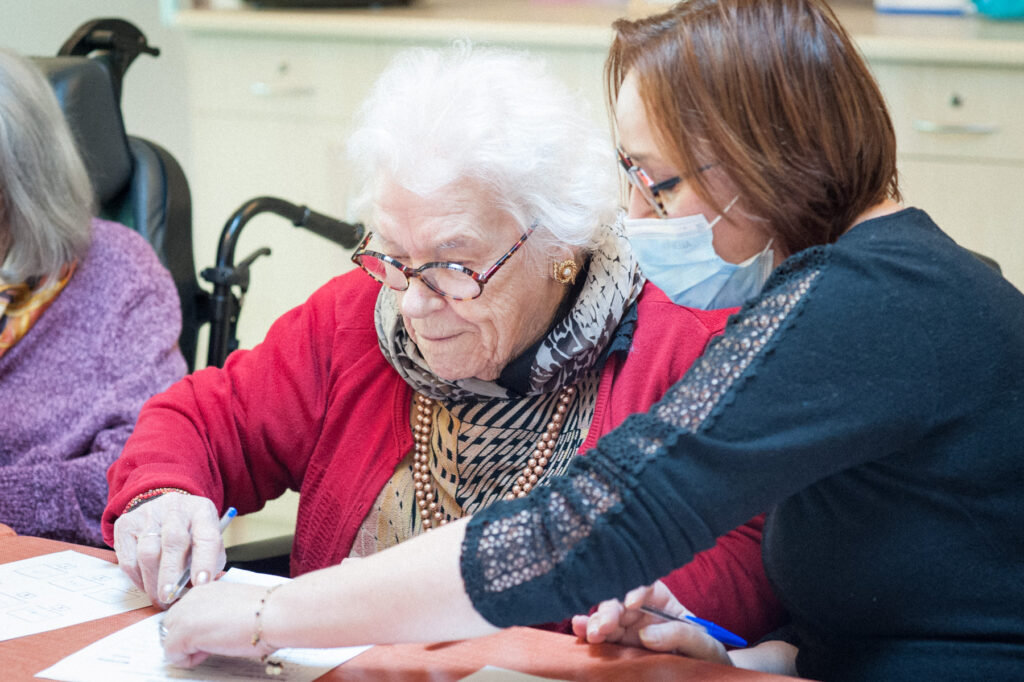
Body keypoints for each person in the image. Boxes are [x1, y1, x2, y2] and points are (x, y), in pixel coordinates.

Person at [157, 1, 1024, 678]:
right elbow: (915, 606)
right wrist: (735, 658)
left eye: (657, 183)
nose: (636, 216)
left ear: (757, 160)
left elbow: (583, 524)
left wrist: (269, 618)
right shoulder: (893, 279)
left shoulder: (865, 302)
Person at [105, 44, 783, 643]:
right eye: (393, 255)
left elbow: (753, 556)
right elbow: (201, 418)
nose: (414, 302)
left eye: (455, 265)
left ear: (558, 248)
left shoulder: (684, 348)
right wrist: (161, 496)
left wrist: (652, 606)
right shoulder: (353, 323)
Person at [0, 49, 186, 546]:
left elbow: (146, 468)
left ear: (19, 180)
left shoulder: (121, 275)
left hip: (52, 573)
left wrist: (12, 496)